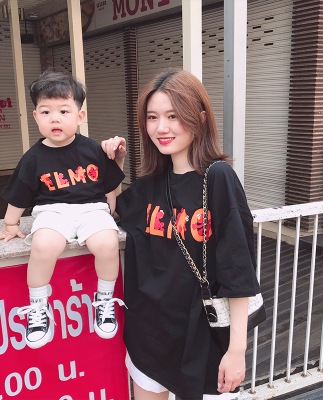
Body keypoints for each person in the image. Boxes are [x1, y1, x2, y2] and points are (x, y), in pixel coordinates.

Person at [102, 69, 262, 400]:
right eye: (153, 117)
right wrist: (115, 164)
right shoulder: (149, 184)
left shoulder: (218, 178)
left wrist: (237, 350)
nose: (161, 127)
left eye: (173, 116)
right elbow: (113, 208)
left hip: (202, 339)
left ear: (199, 118)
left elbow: (238, 269)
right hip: (149, 334)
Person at [0, 71, 126, 349]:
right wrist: (10, 224)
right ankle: (38, 308)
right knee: (43, 245)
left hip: (92, 210)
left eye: (63, 111)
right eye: (46, 112)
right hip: (52, 212)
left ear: (80, 116)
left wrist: (113, 212)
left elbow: (111, 186)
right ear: (35, 117)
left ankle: (104, 301)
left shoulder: (94, 150)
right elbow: (19, 194)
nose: (55, 118)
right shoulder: (33, 157)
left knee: (107, 243)